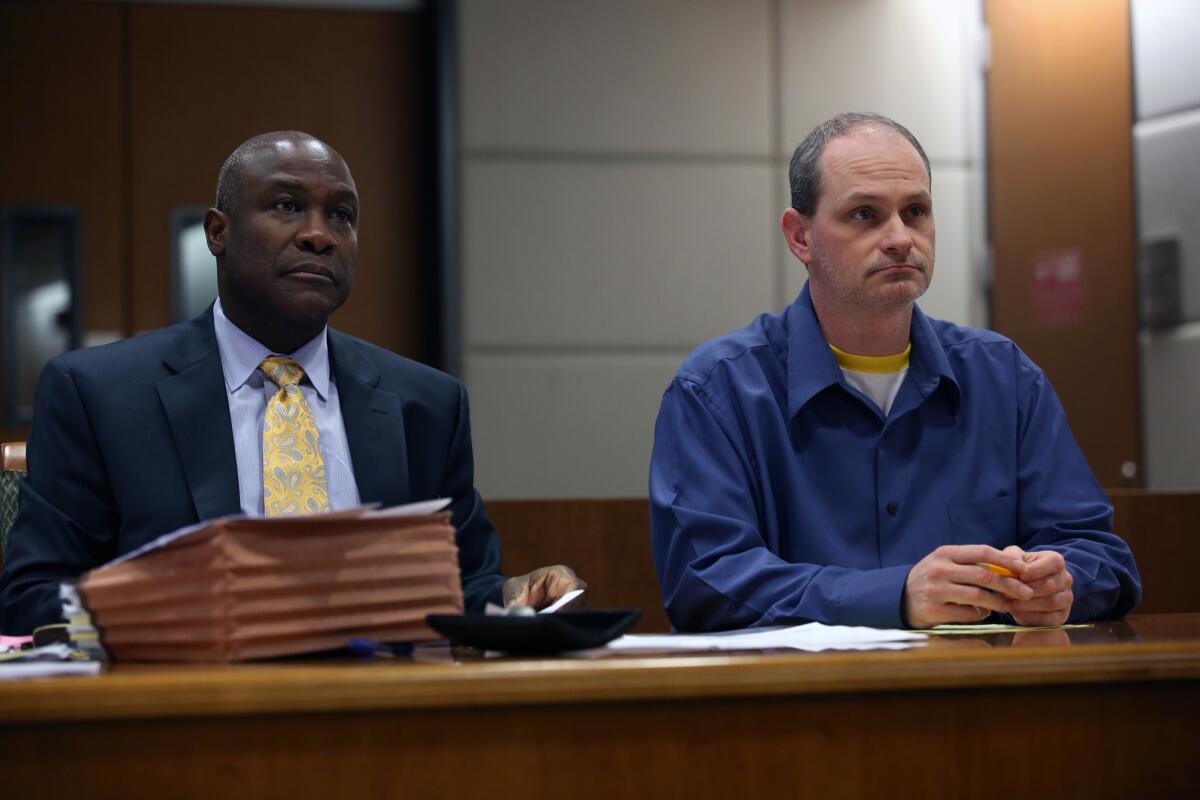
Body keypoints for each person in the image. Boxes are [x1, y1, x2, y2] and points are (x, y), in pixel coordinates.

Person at [0, 131, 585, 634]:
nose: (319, 235)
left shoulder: (426, 404)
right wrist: (178, 610)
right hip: (183, 720)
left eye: (342, 215)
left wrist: (513, 597)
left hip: (384, 722)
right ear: (217, 233)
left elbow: (462, 583)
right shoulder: (99, 394)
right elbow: (33, 597)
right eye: (285, 206)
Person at [649, 112, 1140, 631]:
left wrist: (1063, 586)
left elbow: (1100, 555)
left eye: (916, 211)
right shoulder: (716, 390)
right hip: (796, 703)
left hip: (980, 698)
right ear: (800, 237)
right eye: (865, 214)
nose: (900, 237)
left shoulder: (1005, 377)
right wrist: (896, 596)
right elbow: (706, 583)